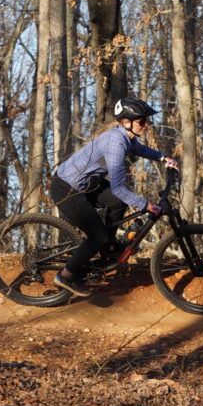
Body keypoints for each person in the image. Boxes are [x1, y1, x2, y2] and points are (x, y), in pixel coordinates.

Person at [49, 96, 177, 297]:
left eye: (146, 120)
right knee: (98, 235)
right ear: (127, 123)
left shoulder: (124, 136)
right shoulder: (115, 144)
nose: (147, 125)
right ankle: (65, 275)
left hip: (85, 185)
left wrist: (163, 157)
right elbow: (119, 188)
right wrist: (147, 205)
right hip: (67, 189)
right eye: (143, 121)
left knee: (116, 204)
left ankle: (107, 246)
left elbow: (138, 149)